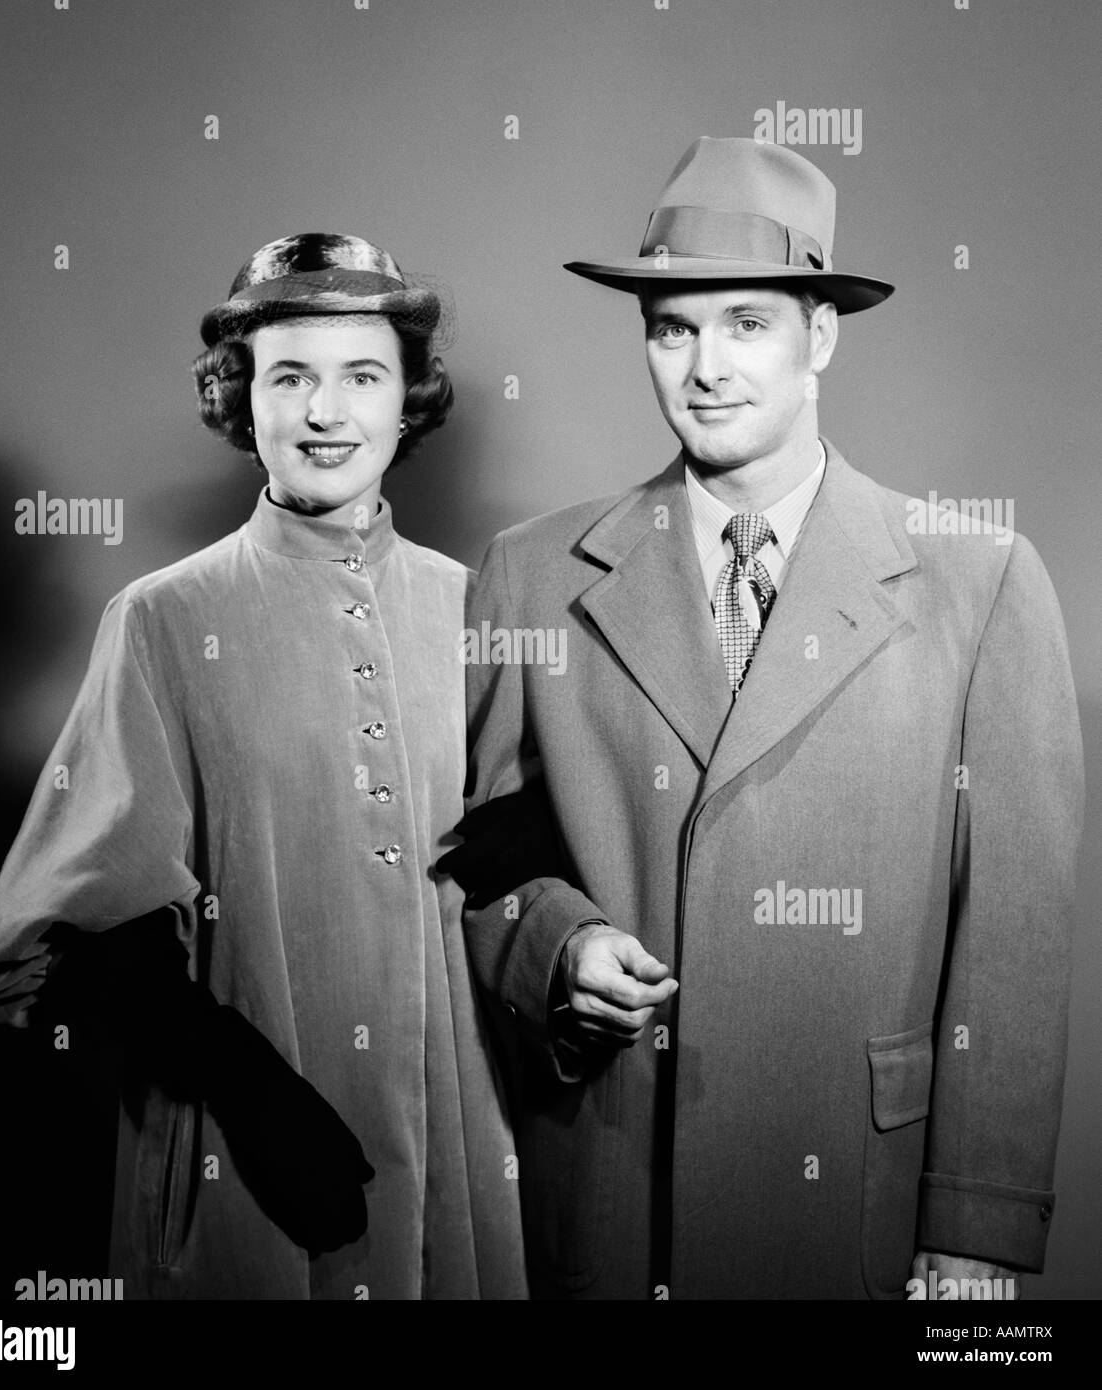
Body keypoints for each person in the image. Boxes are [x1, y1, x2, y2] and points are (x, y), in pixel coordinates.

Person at [444, 138, 1083, 1300]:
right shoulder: (529, 572)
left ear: (818, 336)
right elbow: (478, 849)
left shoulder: (977, 577)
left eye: (745, 322)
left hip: (858, 1200)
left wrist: (979, 1227)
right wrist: (555, 948)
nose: (704, 367)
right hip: (602, 1184)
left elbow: (1015, 939)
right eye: (671, 328)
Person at [0, 232, 526, 1301]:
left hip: (456, 1136)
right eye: (288, 376)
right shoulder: (164, 617)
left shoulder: (474, 607)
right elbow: (98, 917)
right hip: (240, 1146)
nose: (323, 413)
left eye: (361, 377)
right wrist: (252, 1094)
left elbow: (511, 878)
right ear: (238, 398)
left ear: (409, 401)